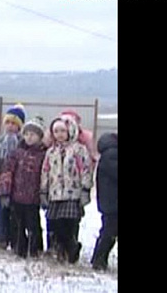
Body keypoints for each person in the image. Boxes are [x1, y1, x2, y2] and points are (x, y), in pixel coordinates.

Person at [40, 116, 93, 264]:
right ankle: (60, 250)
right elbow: (45, 171)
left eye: (63, 131)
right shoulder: (51, 152)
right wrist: (43, 191)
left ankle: (71, 250)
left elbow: (86, 169)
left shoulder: (79, 150)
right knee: (56, 224)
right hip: (55, 194)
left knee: (70, 224)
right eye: (56, 131)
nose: (59, 134)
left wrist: (85, 189)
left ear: (71, 131)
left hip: (72, 194)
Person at [0, 117, 47, 259]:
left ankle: (35, 249)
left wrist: (44, 193)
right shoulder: (17, 153)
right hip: (17, 196)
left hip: (33, 198)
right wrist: (5, 192)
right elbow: (7, 173)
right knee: (17, 225)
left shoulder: (43, 154)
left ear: (39, 137)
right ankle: (19, 248)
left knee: (34, 225)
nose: (29, 137)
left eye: (33, 134)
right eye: (27, 134)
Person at [0, 104, 25, 251]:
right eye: (8, 122)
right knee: (0, 212)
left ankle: (15, 241)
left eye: (14, 123)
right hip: (0, 183)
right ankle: (1, 239)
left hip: (18, 184)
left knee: (15, 213)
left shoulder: (23, 143)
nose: (10, 126)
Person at [90, 132, 117, 271]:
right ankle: (99, 260)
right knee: (109, 233)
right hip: (112, 204)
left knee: (108, 232)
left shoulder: (110, 152)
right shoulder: (112, 154)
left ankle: (98, 259)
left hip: (110, 203)